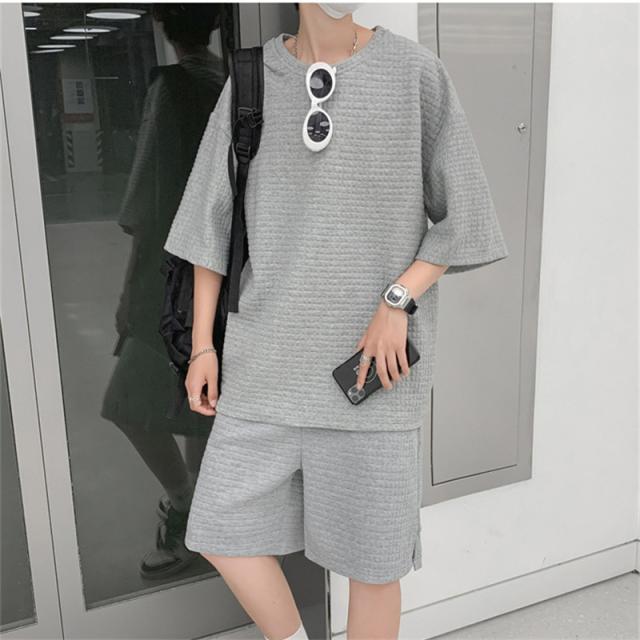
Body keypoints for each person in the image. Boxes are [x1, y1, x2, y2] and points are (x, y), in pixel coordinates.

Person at [163, 3, 508, 639]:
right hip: (264, 370)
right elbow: (209, 220)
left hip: (370, 375)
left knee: (372, 567)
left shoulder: (415, 74)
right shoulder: (251, 79)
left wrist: (397, 299)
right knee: (219, 527)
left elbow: (466, 215)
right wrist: (203, 346)